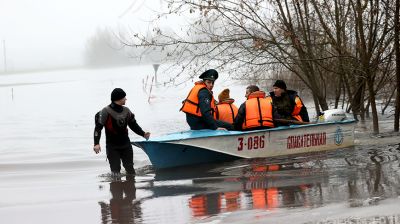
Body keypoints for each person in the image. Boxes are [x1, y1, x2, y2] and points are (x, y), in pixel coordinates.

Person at [93, 88, 150, 176]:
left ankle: (130, 186)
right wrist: (96, 143)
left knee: (130, 170)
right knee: (115, 173)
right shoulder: (105, 112)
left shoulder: (126, 111)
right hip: (112, 147)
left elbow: (133, 125)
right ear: (119, 99)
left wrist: (143, 133)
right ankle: (116, 187)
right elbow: (98, 129)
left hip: (126, 145)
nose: (126, 99)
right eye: (124, 97)